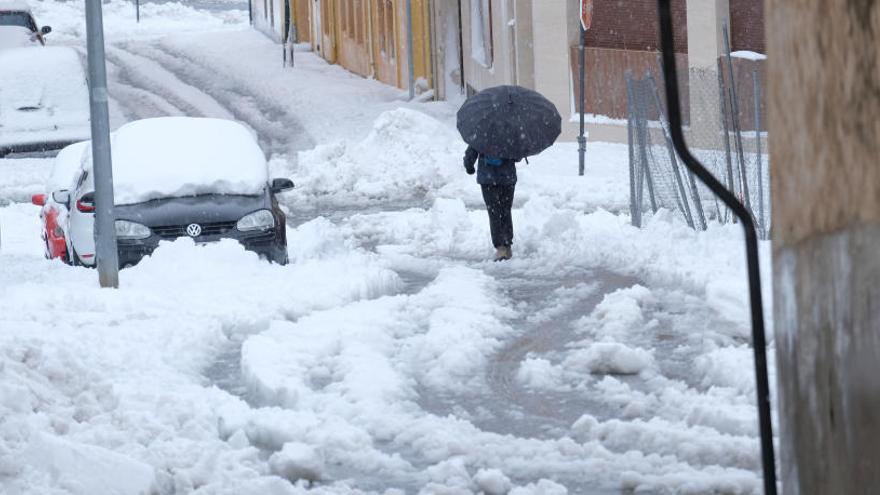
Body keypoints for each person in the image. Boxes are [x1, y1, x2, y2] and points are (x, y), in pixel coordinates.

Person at [463, 145, 520, 261]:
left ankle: (500, 247)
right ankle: (507, 244)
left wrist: (469, 166)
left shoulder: (483, 132)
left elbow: (471, 152)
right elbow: (518, 156)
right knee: (505, 210)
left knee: (494, 212)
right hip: (507, 177)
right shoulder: (511, 133)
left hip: (488, 178)